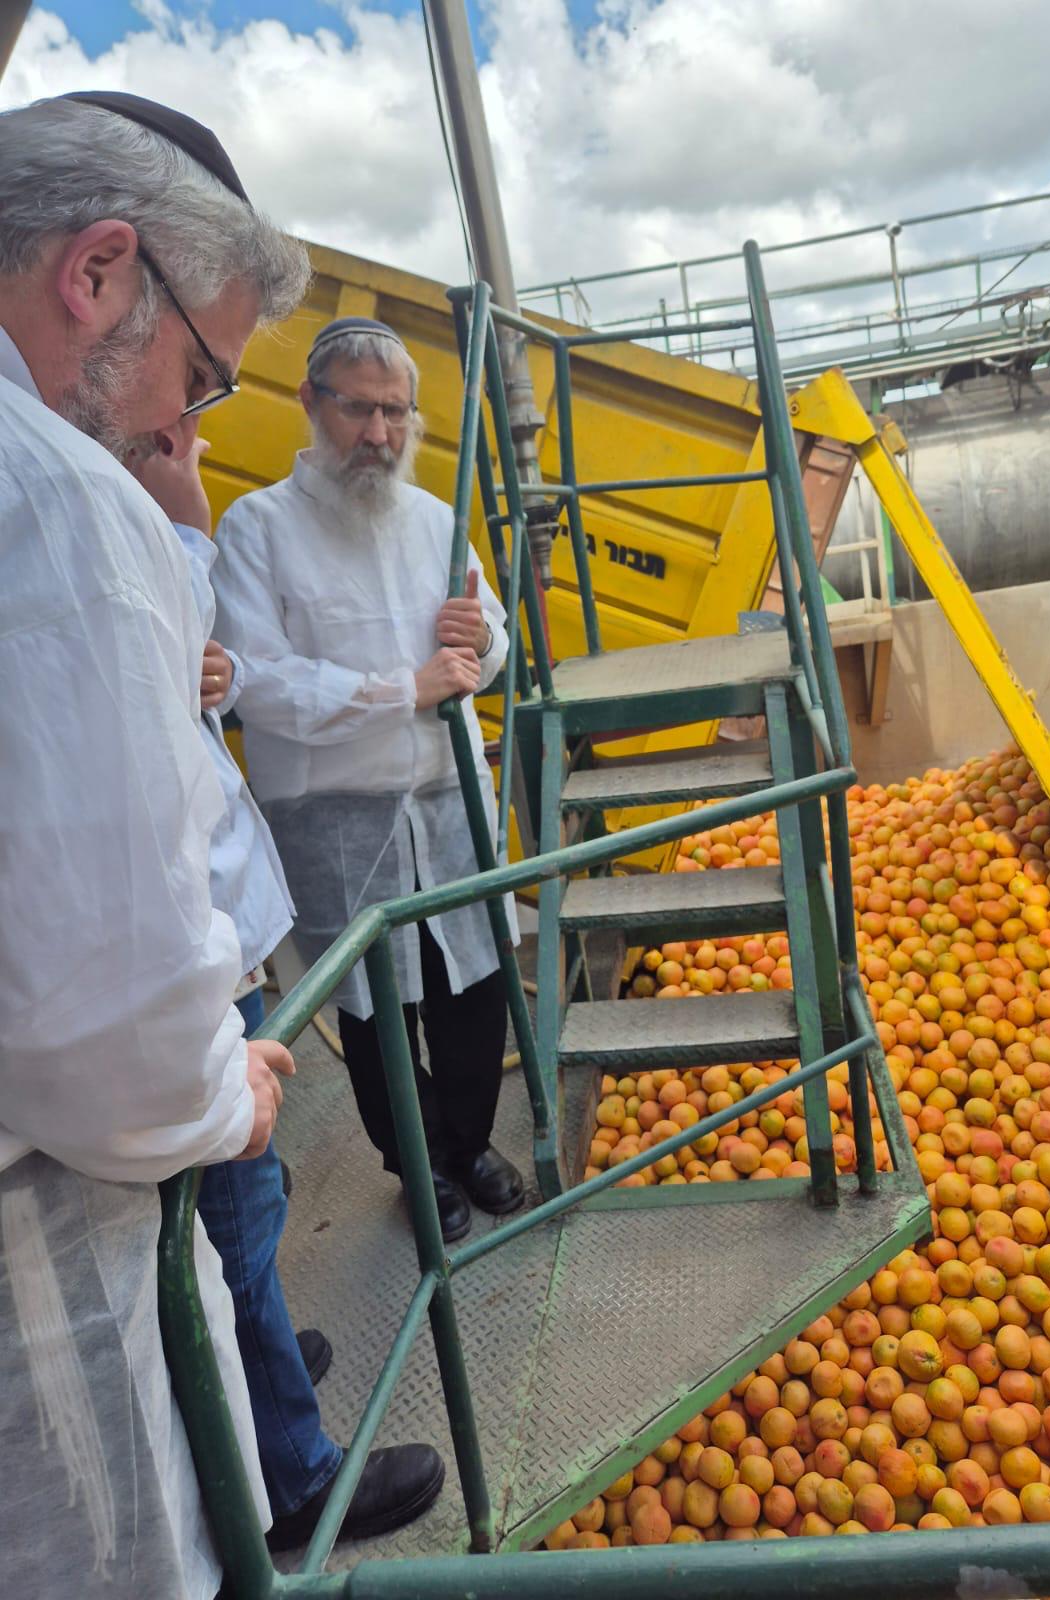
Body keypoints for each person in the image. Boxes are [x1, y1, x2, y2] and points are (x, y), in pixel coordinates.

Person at [0, 94, 436, 1597]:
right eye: (196, 375)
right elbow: (104, 1000)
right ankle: (294, 1473)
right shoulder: (62, 503)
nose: (176, 424)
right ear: (97, 273)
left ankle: (272, 1403)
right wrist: (212, 1088)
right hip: (51, 1248)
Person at [133, 437, 443, 1551]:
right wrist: (184, 516)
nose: (199, 439)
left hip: (221, 937)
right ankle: (296, 1478)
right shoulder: (204, 528)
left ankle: (247, 1358)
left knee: (245, 1209)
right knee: (229, 1207)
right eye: (186, 414)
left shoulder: (420, 518)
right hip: (193, 955)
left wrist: (206, 672)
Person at [213, 319, 524, 1243]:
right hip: (335, 816)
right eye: (358, 409)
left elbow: (491, 644)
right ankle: (418, 1167)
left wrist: (482, 640)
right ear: (311, 402)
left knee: (474, 986)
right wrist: (401, 689)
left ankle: (469, 1144)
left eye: (396, 413)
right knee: (378, 1006)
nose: (379, 434)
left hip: (447, 798)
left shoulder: (435, 520)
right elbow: (256, 682)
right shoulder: (259, 527)